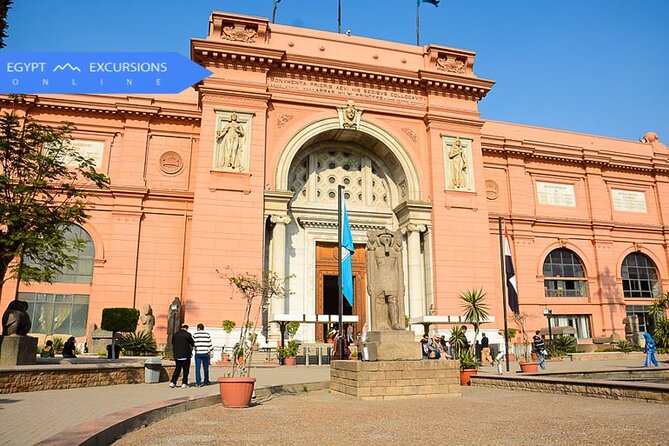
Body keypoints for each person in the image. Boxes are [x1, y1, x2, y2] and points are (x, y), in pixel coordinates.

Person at [170, 324, 195, 388]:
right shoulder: (188, 335)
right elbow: (192, 343)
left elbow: (172, 342)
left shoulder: (175, 334)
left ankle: (173, 382)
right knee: (185, 369)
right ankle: (184, 383)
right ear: (186, 328)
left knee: (177, 369)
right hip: (185, 355)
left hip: (177, 355)